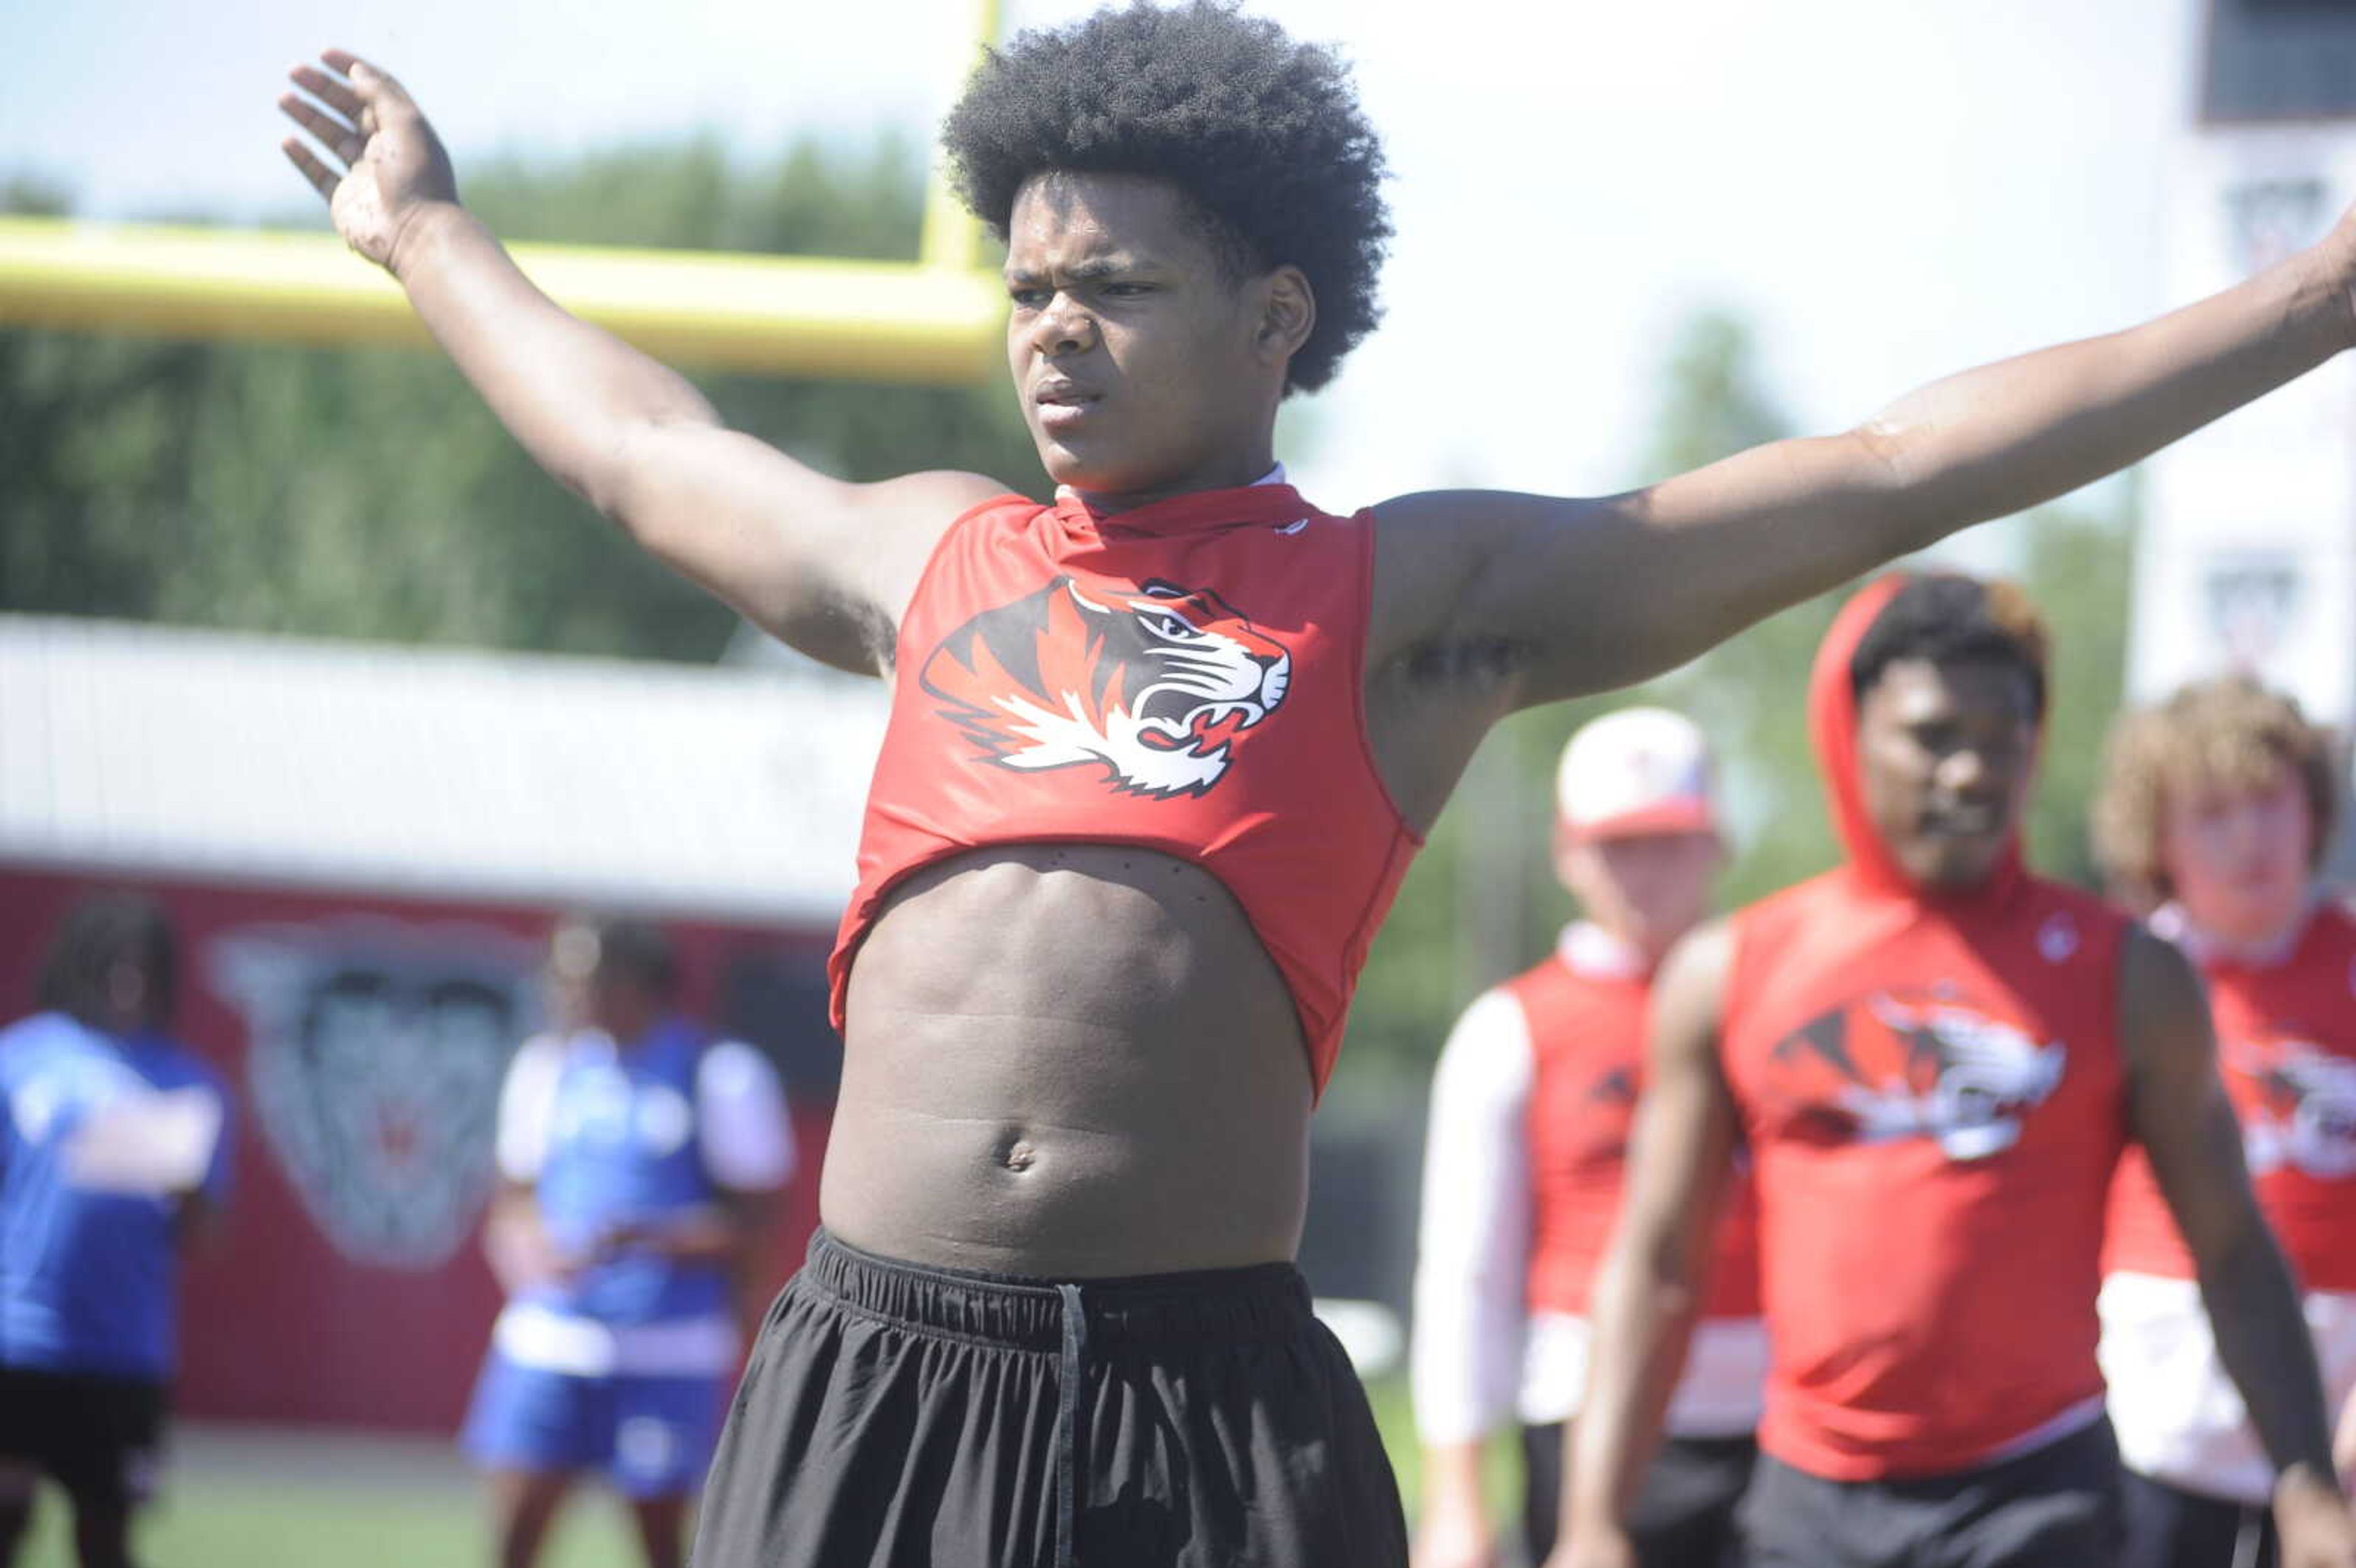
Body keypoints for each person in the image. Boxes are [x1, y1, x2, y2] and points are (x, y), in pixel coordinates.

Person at [273, 3, 2356, 1558]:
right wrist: (428, 230)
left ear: (1279, 316)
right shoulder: (934, 554)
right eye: (1026, 289)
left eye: (1114, 287)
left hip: (1206, 1405)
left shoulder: (1405, 594)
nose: (1050, 335)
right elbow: (642, 452)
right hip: (875, 1371)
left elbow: (1893, 467)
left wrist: (2315, 293)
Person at [1559, 574, 2356, 1568]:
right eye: (1935, 735)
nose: (1974, 770)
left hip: (2040, 1493)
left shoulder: (2131, 974)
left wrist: (2308, 1485)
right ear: (1854, 736)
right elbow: (1659, 1262)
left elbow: (2234, 1246)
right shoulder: (1732, 971)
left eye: (2004, 734)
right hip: (1808, 1504)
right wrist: (1592, 1523)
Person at [1411, 707, 1761, 1568]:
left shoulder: (1774, 1001)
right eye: (1618, 845)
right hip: (1584, 1421)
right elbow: (1467, 1274)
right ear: (1568, 854)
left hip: (1779, 1426)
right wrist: (1458, 1501)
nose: (1646, 873)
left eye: (1669, 842)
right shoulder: (1512, 1026)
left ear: (1717, 844)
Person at [2093, 677, 2356, 1568]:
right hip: (2157, 1423)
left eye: (2267, 801)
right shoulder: (2115, 979)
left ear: (2314, 809)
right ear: (2155, 839)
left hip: (2341, 1418)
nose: (2248, 837)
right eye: (2211, 812)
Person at [461, 917, 792, 1568]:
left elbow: (756, 1226)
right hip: (552, 1343)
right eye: (558, 978)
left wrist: (648, 1238)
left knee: (662, 1546)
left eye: (583, 978)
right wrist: (527, 1251)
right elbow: (511, 1204)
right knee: (513, 1534)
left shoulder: (720, 1073)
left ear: (639, 982)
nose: (565, 994)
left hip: (666, 1351)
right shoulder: (546, 1068)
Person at [0, 894, 233, 1568]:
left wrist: (185, 1189)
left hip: (123, 1352)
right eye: (116, 966)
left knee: (106, 1533)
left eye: (144, 970)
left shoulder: (187, 1086)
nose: (128, 984)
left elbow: (208, 1236)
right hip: (19, 1338)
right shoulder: (20, 1063)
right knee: (6, 1512)